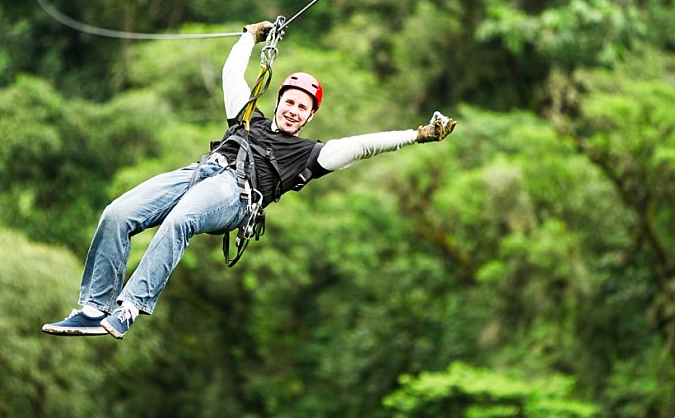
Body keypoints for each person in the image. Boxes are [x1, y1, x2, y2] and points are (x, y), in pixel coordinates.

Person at [42, 20, 456, 339]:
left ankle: (129, 307)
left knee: (180, 220)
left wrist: (417, 135)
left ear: (311, 117)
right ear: (279, 102)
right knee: (118, 213)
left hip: (236, 193)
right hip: (199, 172)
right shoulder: (246, 117)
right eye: (290, 102)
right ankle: (94, 309)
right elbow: (231, 76)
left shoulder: (310, 154)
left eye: (303, 108)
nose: (294, 110)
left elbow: (365, 145)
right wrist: (249, 37)